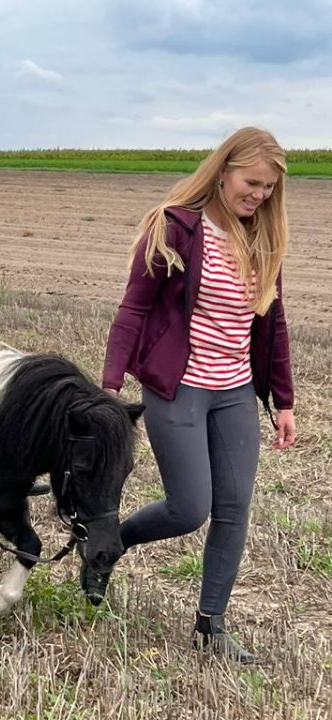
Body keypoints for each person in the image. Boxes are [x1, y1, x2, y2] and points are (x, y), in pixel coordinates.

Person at [96, 127, 296, 664]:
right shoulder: (176, 228)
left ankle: (211, 625)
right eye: (251, 182)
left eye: (269, 188)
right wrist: (111, 384)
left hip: (234, 391)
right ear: (223, 169)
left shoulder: (262, 240)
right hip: (177, 386)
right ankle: (112, 541)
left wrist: (283, 400)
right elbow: (134, 308)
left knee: (234, 509)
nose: (258, 195)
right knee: (189, 509)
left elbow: (271, 323)